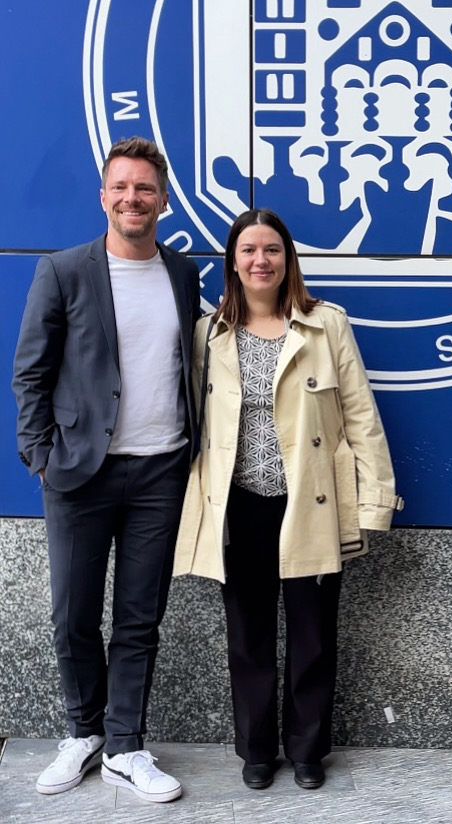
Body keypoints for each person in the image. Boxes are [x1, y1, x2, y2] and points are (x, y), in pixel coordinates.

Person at [174, 208, 403, 791]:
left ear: (288, 259)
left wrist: (374, 502)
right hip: (238, 504)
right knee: (247, 636)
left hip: (310, 501)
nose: (261, 260)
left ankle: (307, 749)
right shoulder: (208, 334)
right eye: (249, 250)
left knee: (313, 634)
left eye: (272, 249)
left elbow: (361, 416)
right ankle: (256, 751)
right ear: (232, 262)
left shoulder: (326, 325)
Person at [12, 137, 200, 803]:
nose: (132, 198)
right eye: (120, 187)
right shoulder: (63, 271)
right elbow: (30, 371)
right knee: (73, 615)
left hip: (159, 473)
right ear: (103, 197)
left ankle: (125, 745)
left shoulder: (183, 274)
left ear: (163, 200)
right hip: (79, 473)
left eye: (144, 188)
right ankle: (81, 732)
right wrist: (40, 454)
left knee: (138, 619)